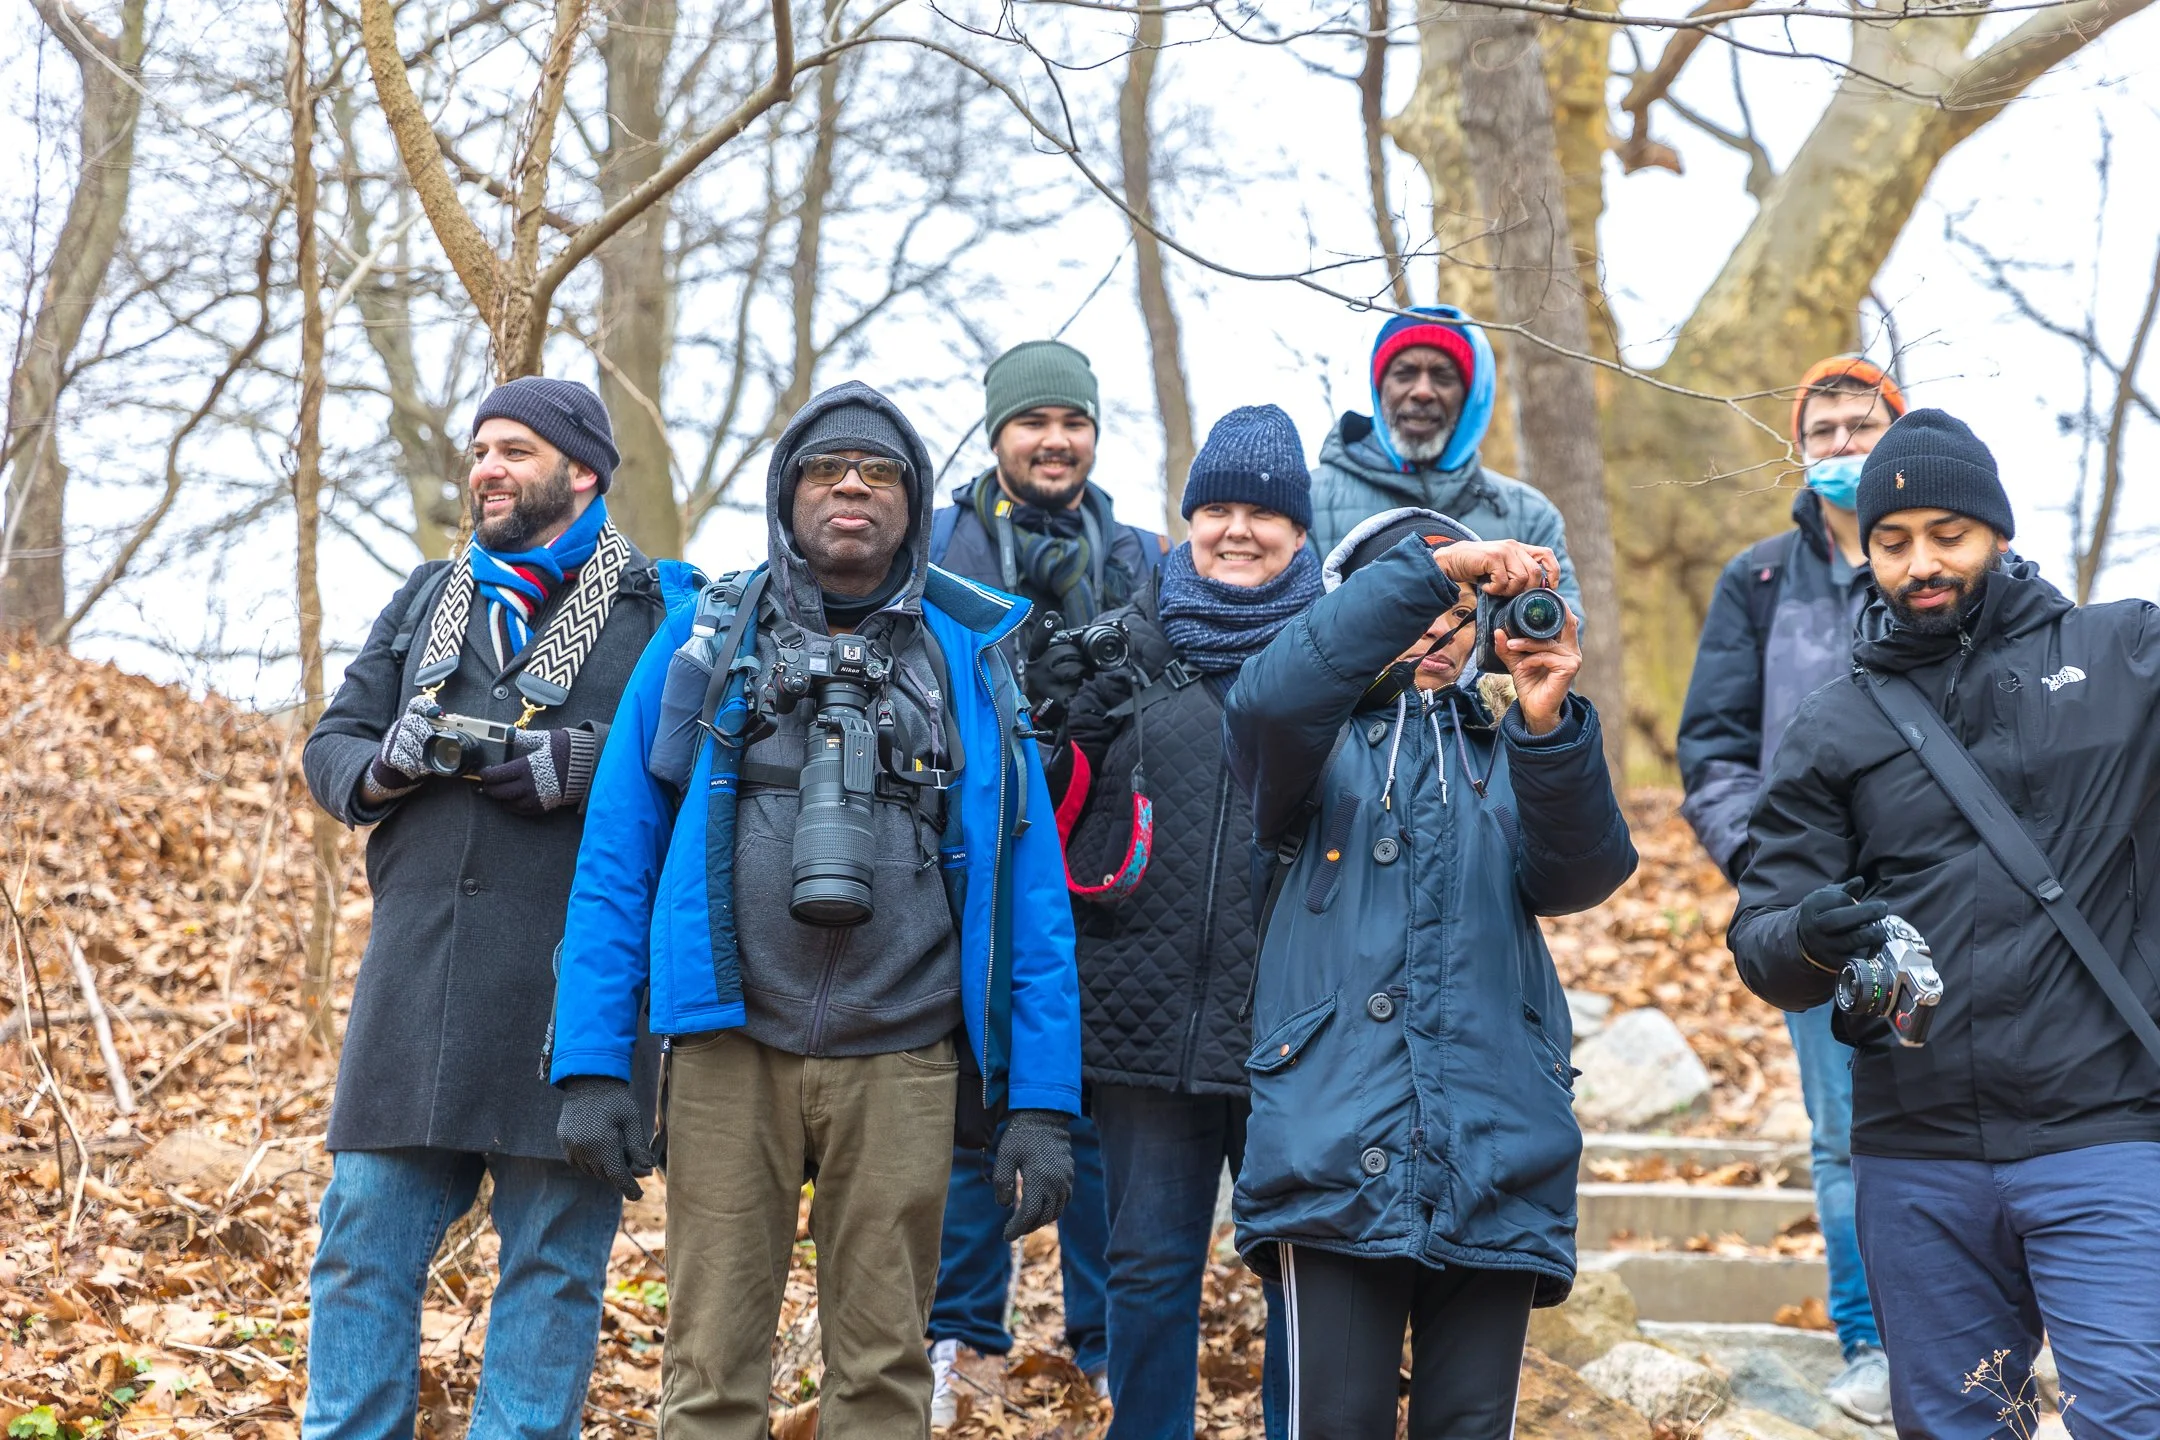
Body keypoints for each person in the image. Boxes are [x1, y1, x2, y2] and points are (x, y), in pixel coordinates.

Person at [546, 381, 1081, 1438]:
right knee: (707, 1372)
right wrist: (594, 1063)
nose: (851, 487)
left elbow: (1030, 890)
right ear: (785, 496)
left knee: (882, 1374)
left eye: (879, 473)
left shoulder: (967, 655)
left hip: (903, 1049)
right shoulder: (707, 636)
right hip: (726, 1044)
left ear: (915, 503)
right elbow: (615, 861)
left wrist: (1044, 1102)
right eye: (825, 470)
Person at [1729, 408, 2160, 1437]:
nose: (1921, 562)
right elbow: (1763, 939)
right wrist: (1813, 936)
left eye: (1947, 534)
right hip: (1917, 1150)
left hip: (2103, 1130)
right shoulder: (1836, 720)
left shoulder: (2127, 657)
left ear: (1998, 533)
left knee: (2134, 1410)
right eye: (1892, 540)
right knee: (1961, 1425)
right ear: (1863, 548)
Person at [300, 377, 694, 1440]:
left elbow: (699, 772)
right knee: (360, 1250)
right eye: (480, 450)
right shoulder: (430, 597)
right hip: (415, 982)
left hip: (576, 994)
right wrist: (387, 765)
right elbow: (329, 747)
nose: (486, 469)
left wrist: (583, 765)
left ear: (584, 471)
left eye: (515, 450)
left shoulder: (661, 610)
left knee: (555, 1272)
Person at [1224, 509, 1637, 1440]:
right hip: (1335, 1140)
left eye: (1462, 610)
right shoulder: (1303, 744)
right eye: (1418, 604)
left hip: (1496, 1138)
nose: (1438, 630)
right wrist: (1442, 570)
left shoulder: (1509, 746)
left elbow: (1584, 875)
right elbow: (1267, 697)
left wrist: (1548, 722)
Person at [1060, 406, 1315, 1439]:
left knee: (1302, 1269)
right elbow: (1051, 821)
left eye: (1265, 513)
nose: (1239, 530)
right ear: (1187, 521)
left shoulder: (1337, 662)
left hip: (1297, 1028)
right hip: (1142, 1022)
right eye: (1218, 510)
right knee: (1149, 1267)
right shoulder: (1121, 649)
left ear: (1302, 532)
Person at [924, 339, 1160, 1412]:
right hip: (962, 860)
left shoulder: (1144, 558)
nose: (1055, 441)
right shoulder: (935, 548)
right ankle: (961, 1336)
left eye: (1073, 422)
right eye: (1034, 423)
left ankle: (1104, 1342)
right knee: (975, 1105)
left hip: (1110, 871)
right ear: (997, 434)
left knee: (1101, 1112)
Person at [1675, 354, 1907, 1423]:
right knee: (1845, 1137)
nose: (1844, 444)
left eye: (1865, 424)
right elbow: (1715, 749)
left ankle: (1979, 1338)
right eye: (1825, 429)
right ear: (1798, 447)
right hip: (1820, 917)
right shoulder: (1759, 581)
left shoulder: (1946, 570)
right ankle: (1870, 1347)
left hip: (1961, 908)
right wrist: (1769, 876)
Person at [1307, 306, 1580, 619]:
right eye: (1404, 373)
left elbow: (1561, 631)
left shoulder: (1529, 515)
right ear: (1379, 387)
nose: (1422, 391)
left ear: (1471, 396)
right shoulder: (1312, 500)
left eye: (1443, 376)